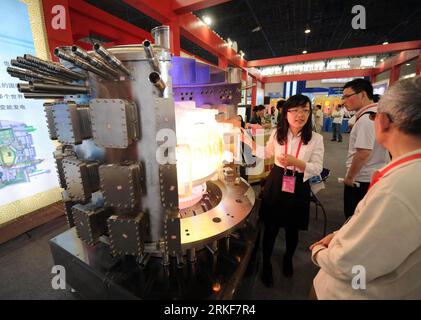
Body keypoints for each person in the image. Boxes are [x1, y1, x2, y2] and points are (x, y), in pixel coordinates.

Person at [310, 76, 421, 299]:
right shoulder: (405, 174)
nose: (344, 101)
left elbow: (350, 263)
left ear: (383, 121)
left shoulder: (397, 189)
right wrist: (342, 233)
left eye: (347, 96)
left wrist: (318, 252)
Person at [241, 94, 324, 286]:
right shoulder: (278, 133)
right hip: (277, 181)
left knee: (292, 228)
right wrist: (248, 142)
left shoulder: (316, 139)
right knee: (270, 226)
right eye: (294, 110)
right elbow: (266, 153)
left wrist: (297, 162)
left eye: (304, 110)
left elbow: (318, 167)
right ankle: (267, 263)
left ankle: (287, 259)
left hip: (299, 184)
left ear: (309, 113)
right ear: (285, 113)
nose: (299, 115)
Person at [341, 79, 389, 218]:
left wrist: (350, 177)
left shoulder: (366, 119)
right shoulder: (376, 114)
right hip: (372, 175)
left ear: (362, 94)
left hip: (361, 180)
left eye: (347, 96)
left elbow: (363, 152)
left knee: (353, 218)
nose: (344, 101)